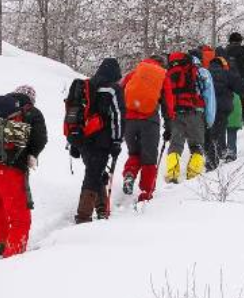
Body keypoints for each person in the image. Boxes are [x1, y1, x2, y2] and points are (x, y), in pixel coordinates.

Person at [0, 85, 48, 258]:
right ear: (31, 99)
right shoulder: (31, 112)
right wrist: (32, 154)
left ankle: (1, 243)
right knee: (20, 217)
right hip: (8, 169)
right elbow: (40, 139)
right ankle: (12, 258)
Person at [74, 58, 125, 223]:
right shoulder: (112, 89)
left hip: (83, 138)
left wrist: (73, 142)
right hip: (102, 140)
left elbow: (76, 116)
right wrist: (117, 140)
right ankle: (83, 215)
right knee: (93, 173)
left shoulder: (86, 86)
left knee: (95, 170)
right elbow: (118, 116)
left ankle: (102, 208)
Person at [121, 56, 175, 202]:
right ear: (162, 65)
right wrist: (169, 125)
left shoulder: (135, 72)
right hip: (149, 121)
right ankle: (146, 192)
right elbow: (168, 103)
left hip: (129, 120)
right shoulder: (163, 76)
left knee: (134, 153)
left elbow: (120, 90)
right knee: (149, 158)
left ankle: (130, 174)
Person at [165, 52, 216, 183]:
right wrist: (209, 120)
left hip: (176, 112)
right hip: (195, 112)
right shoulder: (201, 72)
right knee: (196, 145)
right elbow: (209, 97)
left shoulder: (172, 70)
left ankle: (172, 173)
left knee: (175, 145)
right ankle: (193, 174)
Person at [205, 56, 244, 171]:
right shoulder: (227, 74)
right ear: (222, 65)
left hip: (206, 109)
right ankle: (214, 161)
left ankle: (210, 159)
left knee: (209, 134)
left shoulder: (204, 74)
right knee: (218, 133)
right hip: (222, 109)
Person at [226, 92, 244, 162]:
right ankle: (230, 153)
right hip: (233, 110)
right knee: (231, 132)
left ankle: (226, 153)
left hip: (225, 110)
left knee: (226, 132)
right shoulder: (239, 82)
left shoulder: (219, 81)